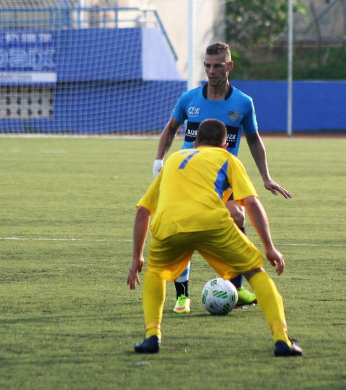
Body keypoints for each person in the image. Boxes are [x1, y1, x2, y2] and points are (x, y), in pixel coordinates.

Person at [128, 119, 303, 357]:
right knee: (254, 272)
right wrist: (269, 248)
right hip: (212, 223)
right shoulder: (228, 158)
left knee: (155, 273)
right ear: (224, 146)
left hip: (168, 226)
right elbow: (251, 202)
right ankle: (282, 339)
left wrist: (137, 257)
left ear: (196, 142)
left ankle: (151, 337)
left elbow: (143, 211)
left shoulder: (173, 160)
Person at [153, 42, 292, 314]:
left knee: (238, 217)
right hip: (188, 179)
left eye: (217, 65)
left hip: (222, 179)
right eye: (207, 65)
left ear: (229, 66)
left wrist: (266, 177)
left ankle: (234, 288)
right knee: (184, 229)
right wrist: (159, 161)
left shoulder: (242, 103)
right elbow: (170, 130)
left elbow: (254, 140)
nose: (211, 71)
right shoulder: (189, 99)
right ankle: (183, 295)